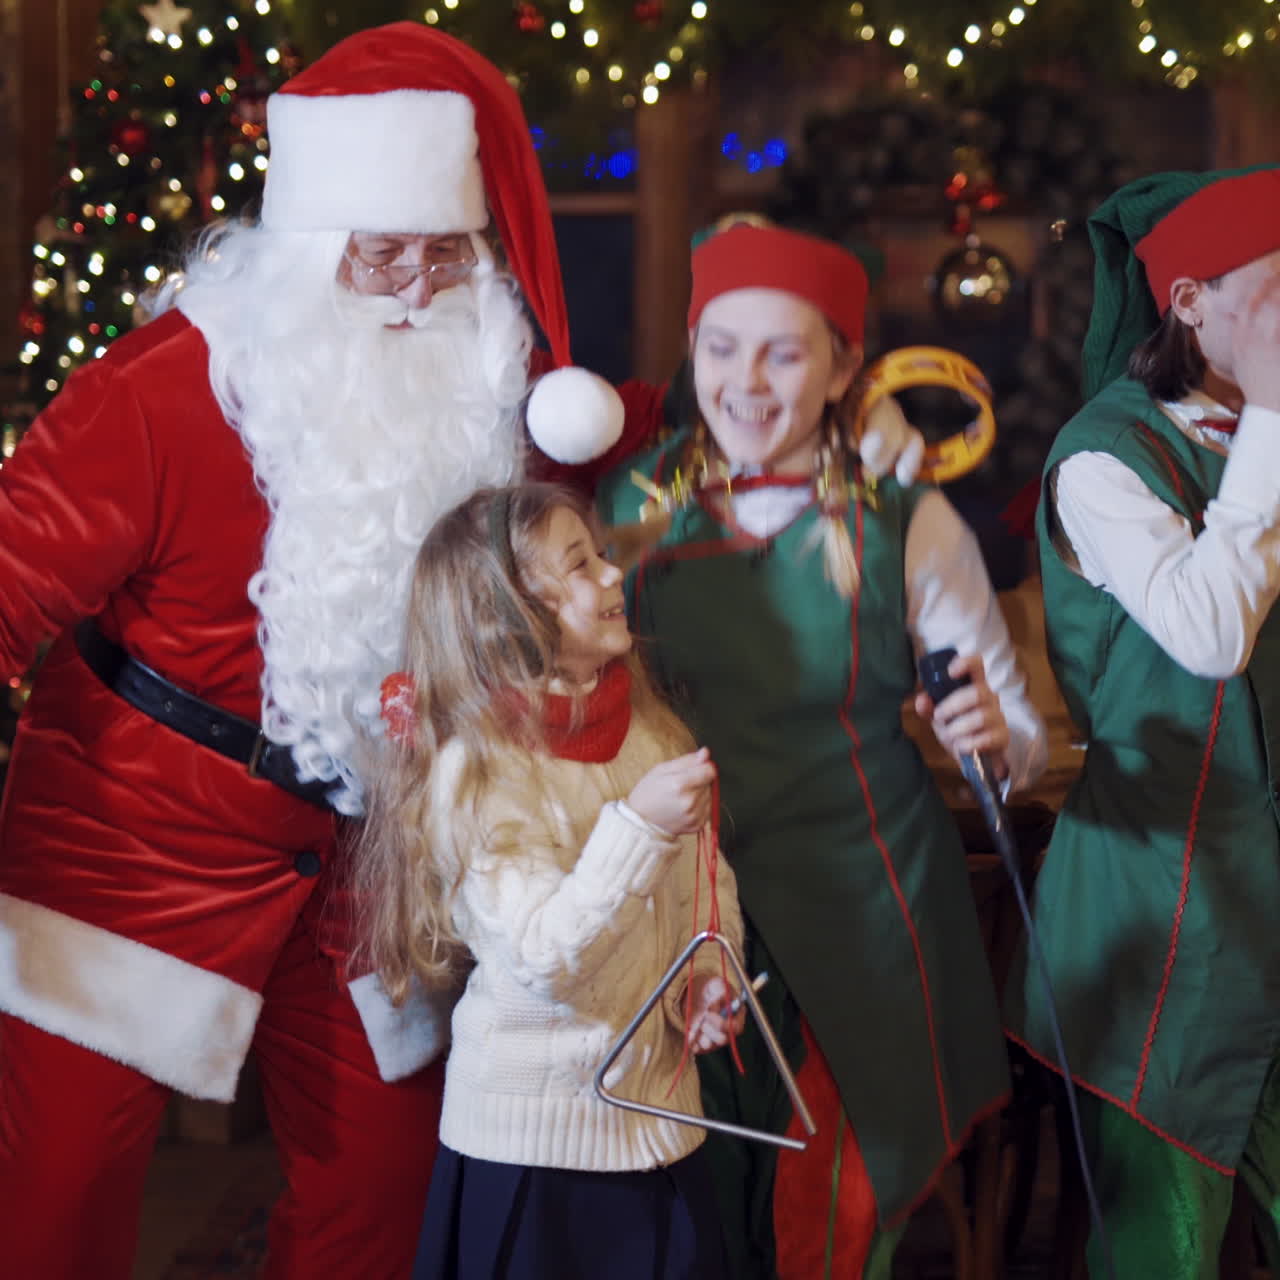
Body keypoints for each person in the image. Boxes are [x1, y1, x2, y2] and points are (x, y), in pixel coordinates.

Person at [0, 22, 656, 1280]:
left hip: (370, 858)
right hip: (130, 839)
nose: (415, 289)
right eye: (380, 253)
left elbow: (615, 462)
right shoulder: (158, 392)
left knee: (385, 1185)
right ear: (306, 252)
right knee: (60, 1195)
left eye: (443, 255)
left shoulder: (493, 396)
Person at [595, 219, 1048, 1278]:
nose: (743, 381)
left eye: (782, 351)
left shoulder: (906, 521)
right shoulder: (631, 509)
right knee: (690, 1206)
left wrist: (990, 736)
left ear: (845, 363)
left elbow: (1012, 743)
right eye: (719, 346)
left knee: (834, 1217)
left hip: (862, 911)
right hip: (684, 912)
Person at [357, 481, 743, 1279]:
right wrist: (637, 828)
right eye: (579, 566)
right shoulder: (478, 769)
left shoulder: (647, 733)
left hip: (660, 1134)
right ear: (507, 617)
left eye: (600, 554)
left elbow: (706, 890)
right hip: (534, 1158)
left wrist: (707, 978)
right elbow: (544, 958)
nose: (611, 576)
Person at [1005, 166, 1280, 1278]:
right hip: (1165, 910)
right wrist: (1267, 414)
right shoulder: (1100, 456)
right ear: (1186, 300)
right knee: (1159, 1248)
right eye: (1271, 296)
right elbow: (1208, 631)